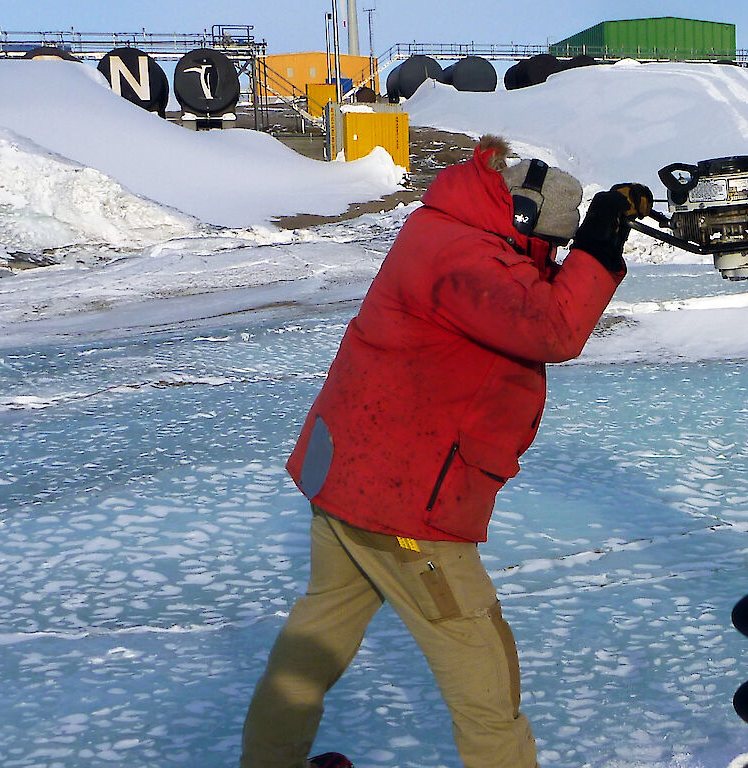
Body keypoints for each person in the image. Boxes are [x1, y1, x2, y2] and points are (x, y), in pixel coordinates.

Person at [239, 135, 652, 768]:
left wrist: (587, 241)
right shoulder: (464, 258)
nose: (551, 259)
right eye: (550, 246)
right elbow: (552, 327)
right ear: (518, 221)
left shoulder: (445, 225)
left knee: (317, 634)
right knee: (484, 680)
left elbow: (519, 293)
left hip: (347, 483)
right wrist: (597, 245)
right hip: (403, 506)